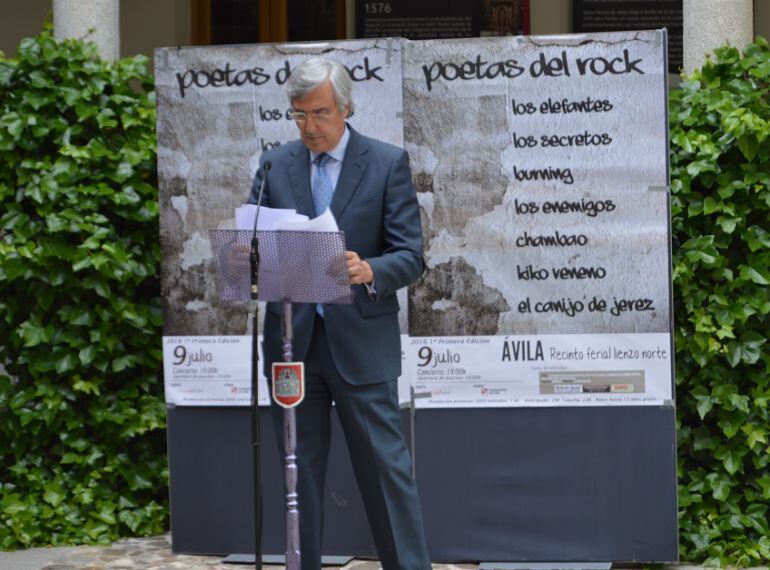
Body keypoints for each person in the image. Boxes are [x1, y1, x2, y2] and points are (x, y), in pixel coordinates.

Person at [248, 57, 431, 570]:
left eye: (321, 113)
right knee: (296, 472)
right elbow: (255, 245)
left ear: (346, 108)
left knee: (385, 471)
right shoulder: (273, 165)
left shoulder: (386, 162)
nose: (309, 127)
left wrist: (367, 269)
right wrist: (247, 256)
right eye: (299, 114)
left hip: (361, 343)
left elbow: (411, 255)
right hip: (292, 344)